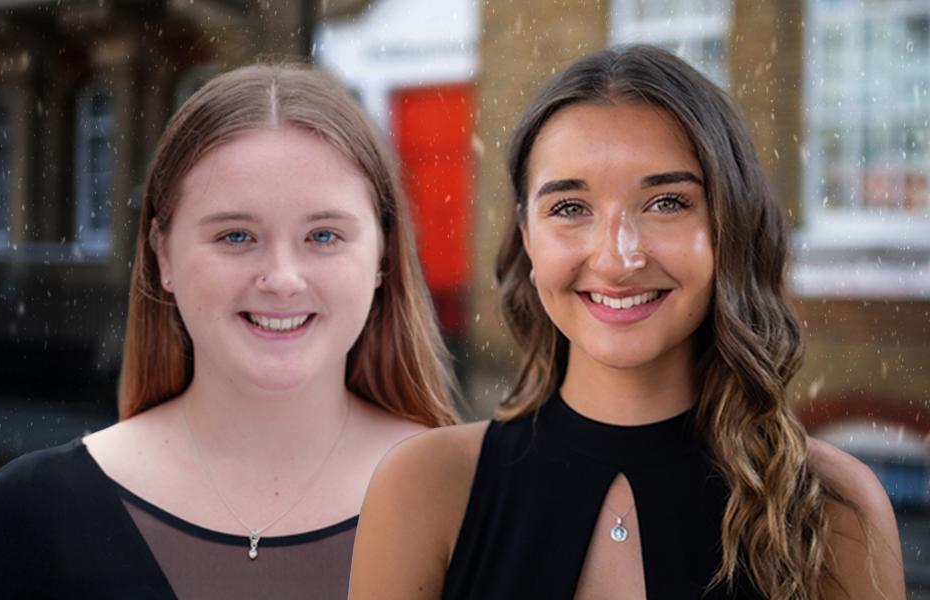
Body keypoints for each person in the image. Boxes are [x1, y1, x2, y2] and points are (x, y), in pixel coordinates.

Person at [349, 46, 904, 600]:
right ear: (526, 236)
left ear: (728, 224)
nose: (618, 259)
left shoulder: (833, 507)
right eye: (570, 208)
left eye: (666, 202)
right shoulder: (425, 487)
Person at [0, 63, 458, 599]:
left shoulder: (481, 504)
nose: (282, 279)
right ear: (163, 255)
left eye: (323, 235)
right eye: (235, 235)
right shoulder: (31, 516)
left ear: (383, 255)